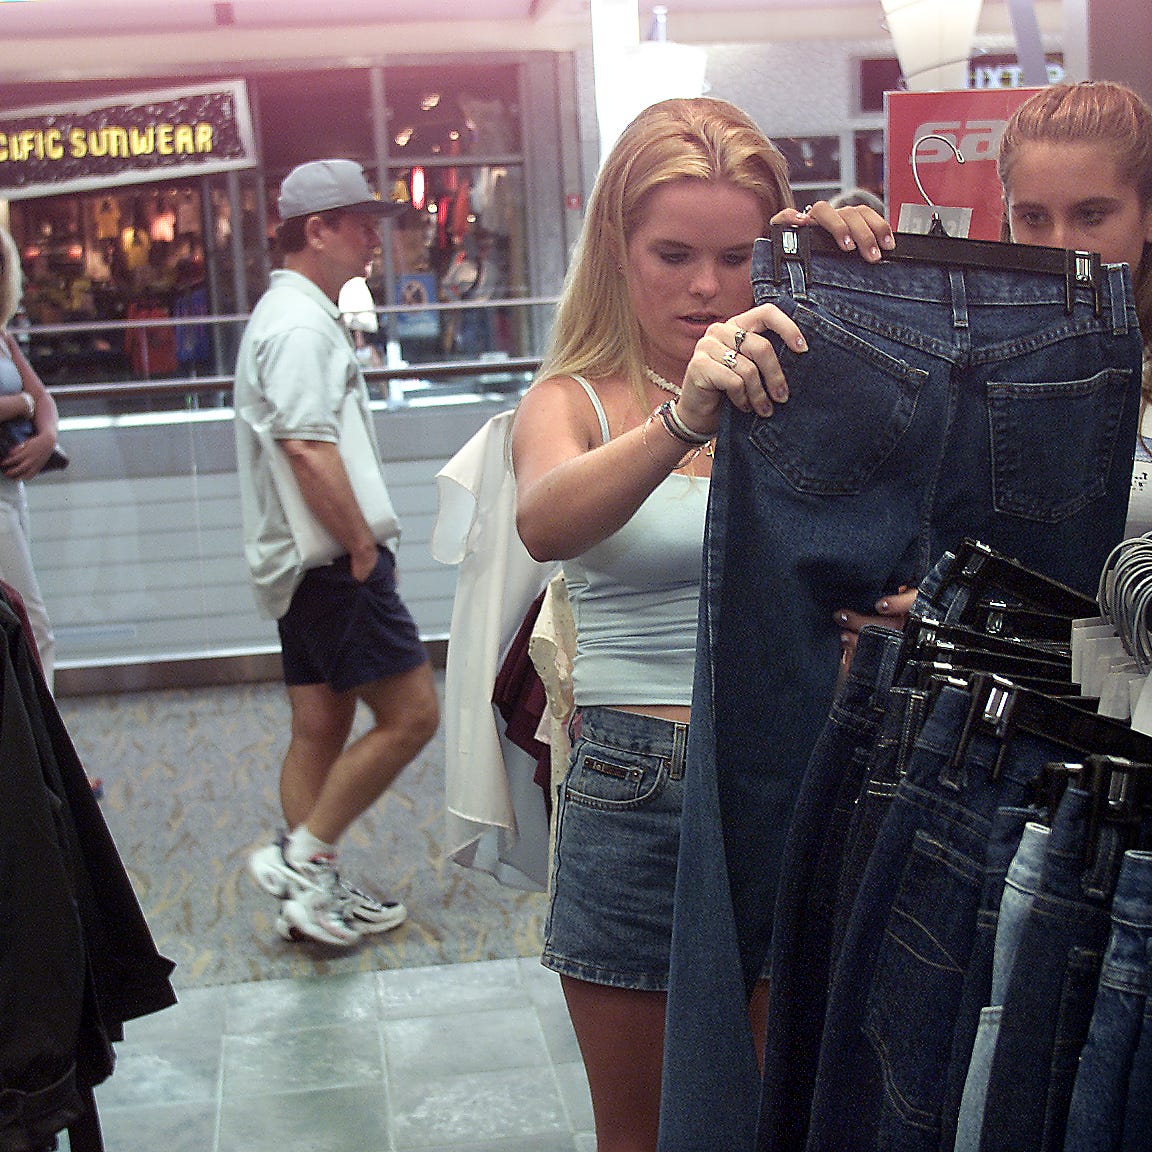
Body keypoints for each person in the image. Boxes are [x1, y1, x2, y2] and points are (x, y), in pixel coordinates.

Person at [510, 96, 889, 1152]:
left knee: (782, 1120)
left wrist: (861, 271)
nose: (707, 286)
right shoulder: (580, 401)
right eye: (673, 253)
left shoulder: (801, 378)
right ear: (618, 251)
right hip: (641, 782)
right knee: (645, 1132)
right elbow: (544, 520)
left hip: (796, 766)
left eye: (736, 254)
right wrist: (683, 418)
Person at [821, 80, 1152, 662]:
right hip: (1000, 722)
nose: (1061, 247)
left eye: (1092, 215)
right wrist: (832, 281)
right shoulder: (971, 368)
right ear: (1006, 217)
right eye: (1033, 217)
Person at [235, 160, 440, 948]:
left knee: (319, 723)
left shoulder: (292, 315)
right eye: (359, 225)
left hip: (304, 561)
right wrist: (359, 545)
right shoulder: (295, 324)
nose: (371, 241)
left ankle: (310, 889)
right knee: (412, 716)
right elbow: (305, 446)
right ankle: (301, 862)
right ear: (315, 231)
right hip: (331, 560)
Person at [0, 225, 60, 690]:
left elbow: (43, 397)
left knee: (21, 621)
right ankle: (46, 752)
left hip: (13, 487)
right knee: (33, 624)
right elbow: (28, 399)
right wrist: (21, 405)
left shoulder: (2, 337)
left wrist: (47, 436)